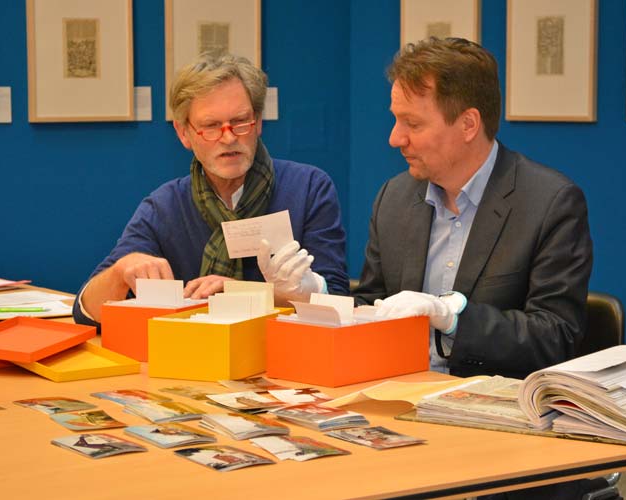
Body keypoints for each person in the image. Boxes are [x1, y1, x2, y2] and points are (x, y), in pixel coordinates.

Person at [353, 37, 595, 500]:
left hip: (499, 430)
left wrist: (452, 320)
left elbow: (554, 336)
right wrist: (318, 297)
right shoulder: (395, 199)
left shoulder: (549, 204)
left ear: (468, 124)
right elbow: (372, 305)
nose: (394, 138)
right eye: (395, 119)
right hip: (397, 417)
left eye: (412, 123)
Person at [73, 53, 348, 327]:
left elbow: (340, 301)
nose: (228, 138)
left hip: (286, 357)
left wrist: (242, 293)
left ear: (259, 122)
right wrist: (120, 271)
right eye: (211, 126)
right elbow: (85, 312)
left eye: (240, 121)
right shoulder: (164, 207)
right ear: (184, 134)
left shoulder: (308, 188)